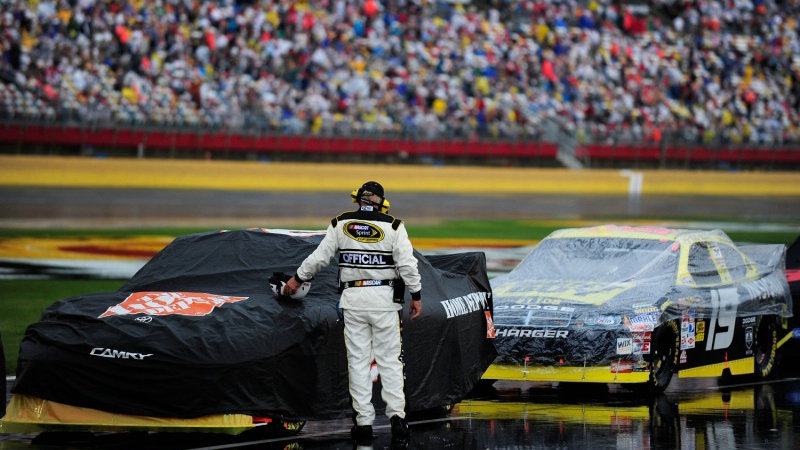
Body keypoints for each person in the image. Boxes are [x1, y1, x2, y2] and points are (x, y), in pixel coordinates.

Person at [284, 181, 422, 442]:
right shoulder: (394, 226)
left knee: (358, 362)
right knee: (390, 362)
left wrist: (297, 278)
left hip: (353, 300)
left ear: (358, 199)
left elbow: (319, 258)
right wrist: (416, 295)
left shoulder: (340, 223)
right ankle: (397, 420)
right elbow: (407, 265)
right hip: (384, 302)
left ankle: (363, 424)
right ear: (381, 203)